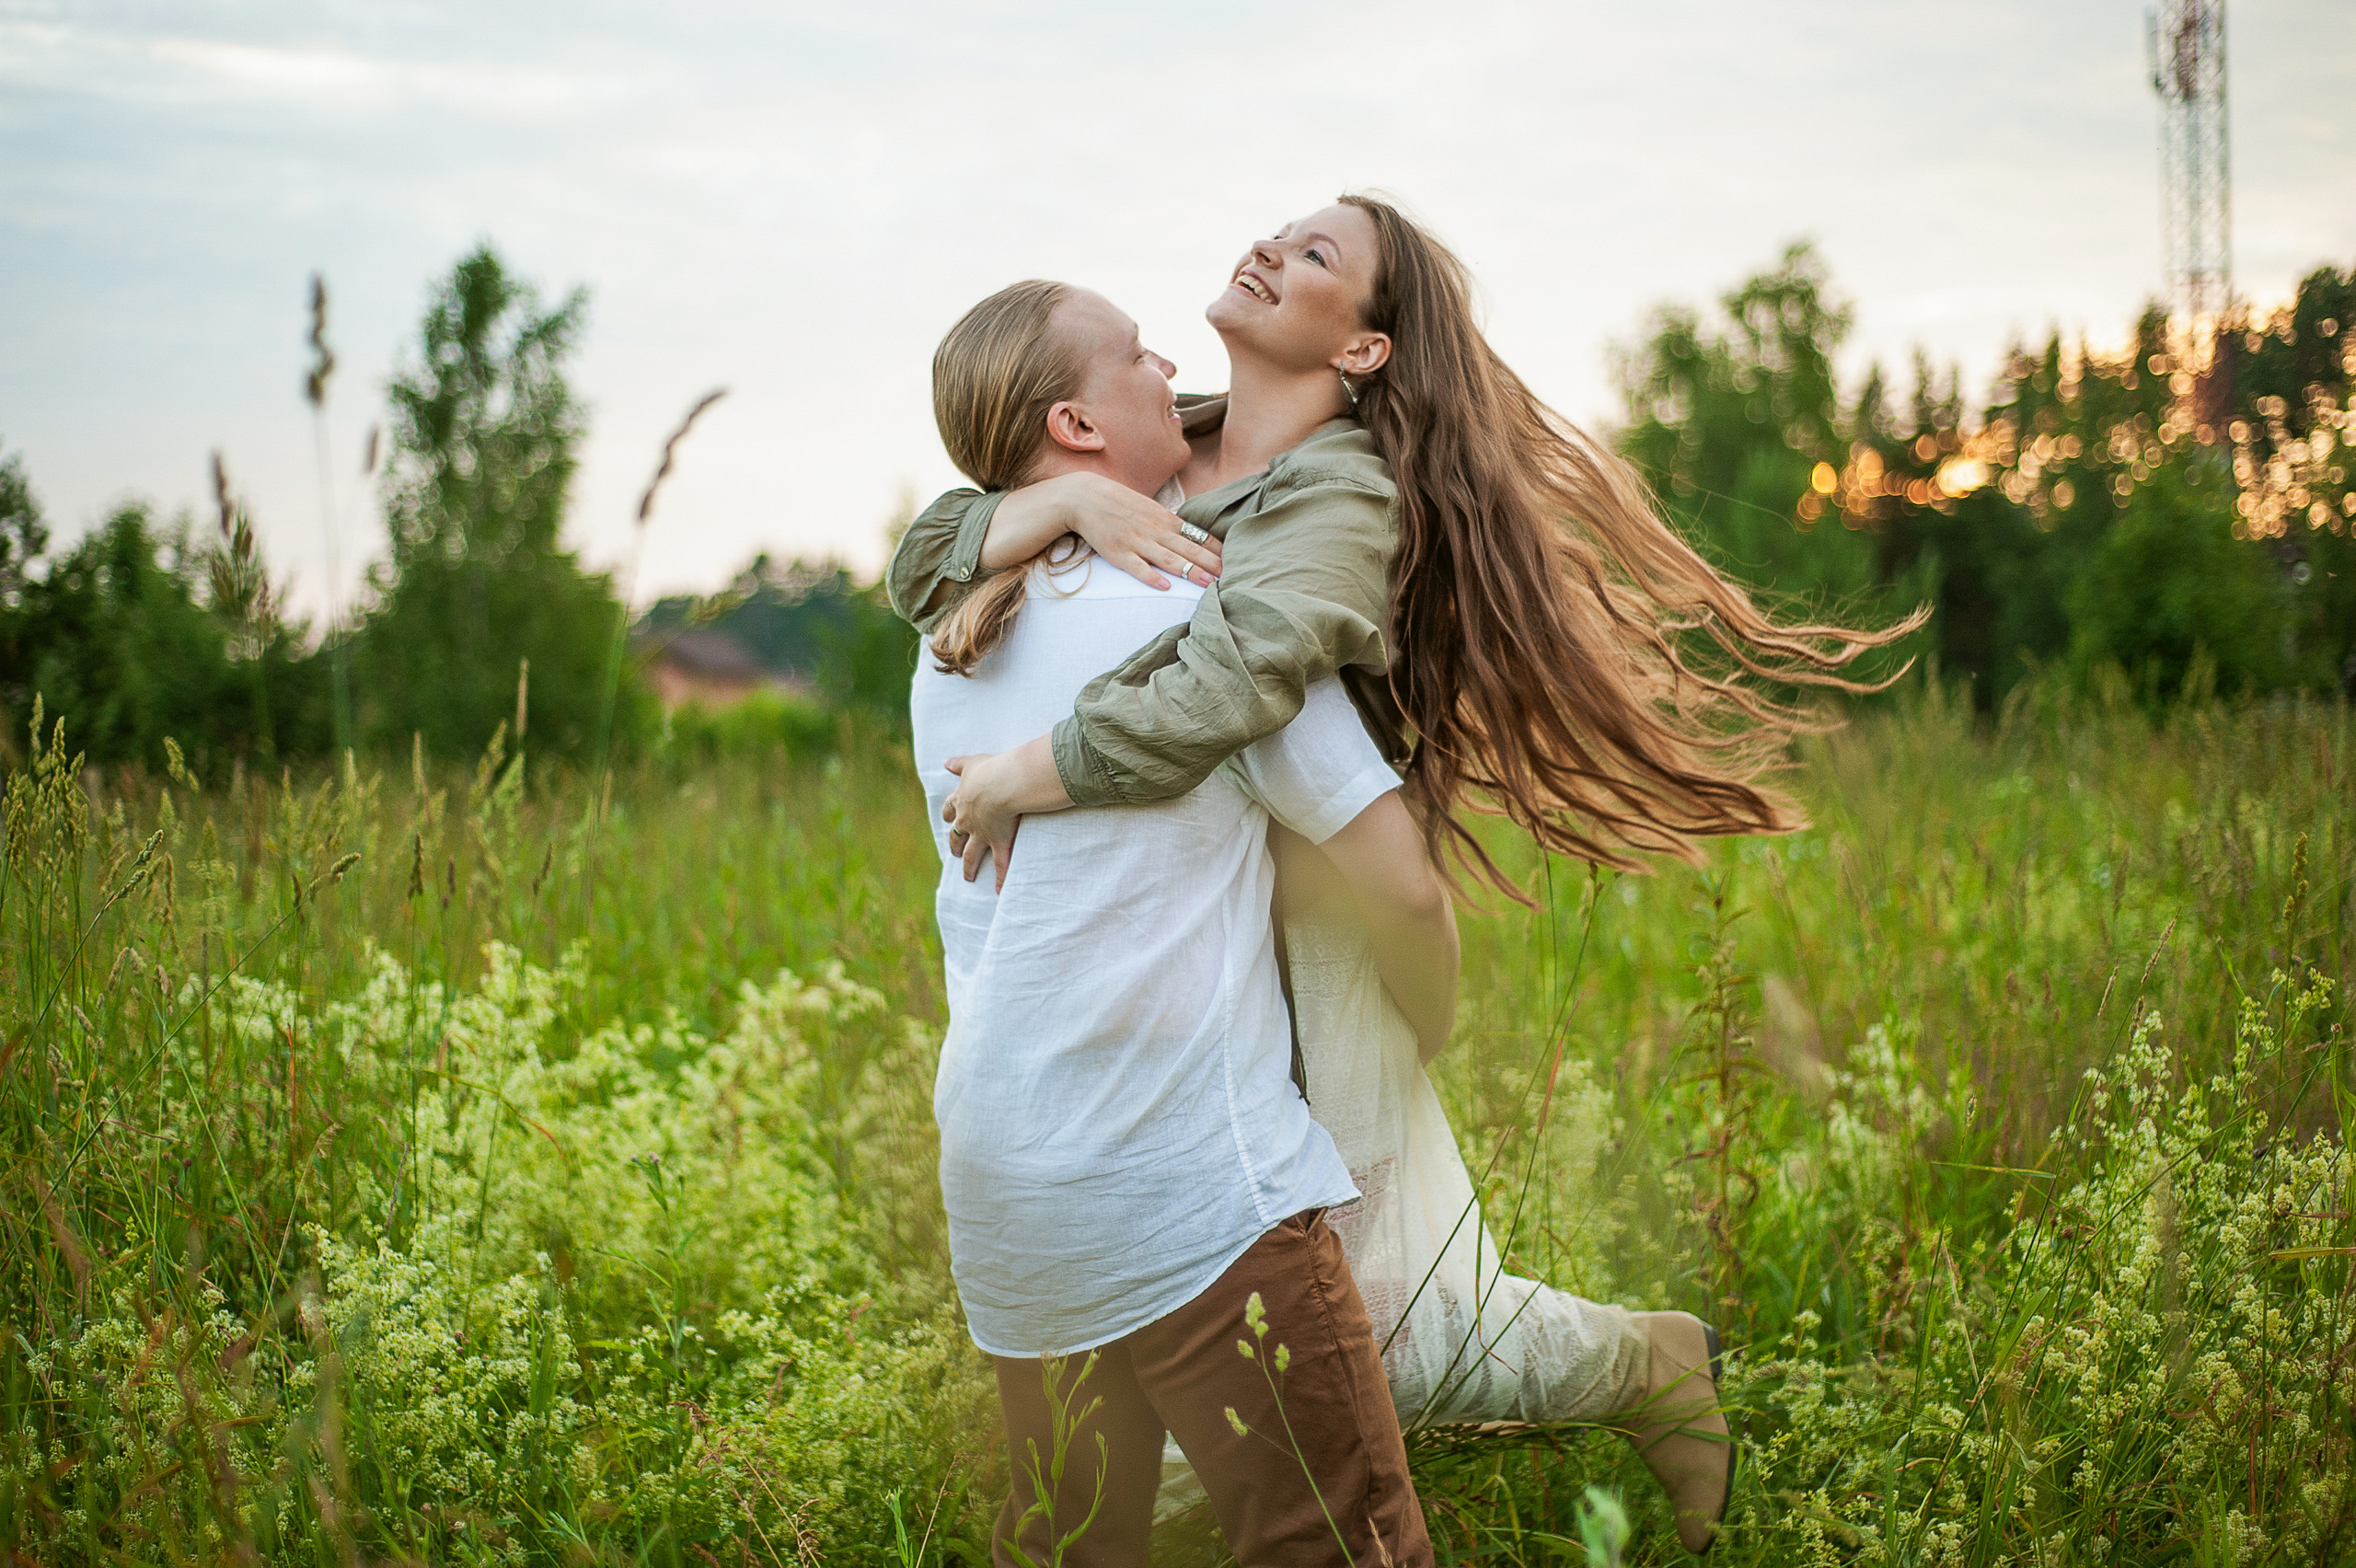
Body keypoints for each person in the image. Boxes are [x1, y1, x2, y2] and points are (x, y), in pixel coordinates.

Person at [895, 196, 1911, 1552]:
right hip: (1173, 913)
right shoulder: (1167, 437)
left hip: (1307, 899)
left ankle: (1642, 1368)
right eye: (1280, 232)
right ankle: (1584, 1385)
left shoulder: (1333, 488)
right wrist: (1060, 499)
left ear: (1366, 349)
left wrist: (1043, 767)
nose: (1263, 247)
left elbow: (1242, 673)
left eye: (1315, 255)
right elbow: (936, 542)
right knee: (1298, 1349)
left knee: (1379, 1325)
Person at [914, 278, 1461, 1563]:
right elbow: (1403, 885)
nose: (1169, 362)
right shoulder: (1193, 624)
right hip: (1192, 1193)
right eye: (1133, 355)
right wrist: (1423, 1031)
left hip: (1009, 1188)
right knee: (1338, 1545)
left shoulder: (946, 640)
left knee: (1068, 1548)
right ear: (1078, 427)